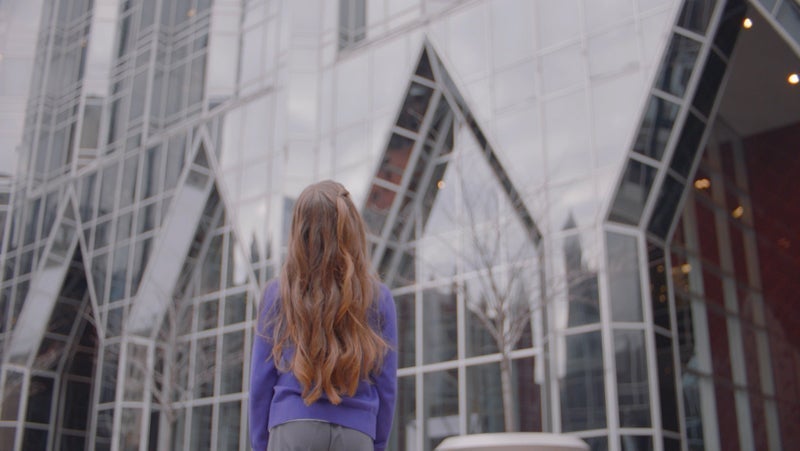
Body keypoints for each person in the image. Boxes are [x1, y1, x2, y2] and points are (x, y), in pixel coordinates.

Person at [249, 180, 398, 451]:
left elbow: (261, 380)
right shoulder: (378, 297)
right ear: (352, 230)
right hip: (356, 433)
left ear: (299, 232)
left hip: (292, 426)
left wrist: (262, 443)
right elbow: (386, 385)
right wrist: (375, 443)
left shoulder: (277, 293)